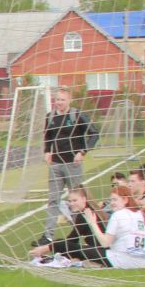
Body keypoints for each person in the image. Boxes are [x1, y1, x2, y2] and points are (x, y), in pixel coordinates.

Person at [41, 87, 95, 241]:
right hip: (55, 165)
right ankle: (48, 235)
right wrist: (47, 151)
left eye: (62, 99)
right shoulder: (50, 117)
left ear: (69, 100)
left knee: (77, 201)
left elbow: (94, 133)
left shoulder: (77, 115)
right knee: (53, 200)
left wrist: (82, 151)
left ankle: (85, 233)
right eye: (57, 99)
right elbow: (48, 137)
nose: (59, 102)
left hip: (73, 165)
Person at [27, 185, 107, 265]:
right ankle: (61, 258)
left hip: (100, 253)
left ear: (84, 199)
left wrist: (45, 248)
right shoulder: (92, 209)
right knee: (63, 244)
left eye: (75, 200)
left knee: (59, 243)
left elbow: (72, 239)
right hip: (101, 251)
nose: (71, 203)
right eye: (69, 201)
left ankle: (57, 259)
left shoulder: (84, 215)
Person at [100, 184, 145, 269]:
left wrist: (91, 222)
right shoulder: (142, 214)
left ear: (125, 199)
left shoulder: (118, 215)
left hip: (121, 260)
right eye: (111, 200)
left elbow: (105, 243)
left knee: (78, 249)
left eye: (115, 200)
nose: (112, 203)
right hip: (143, 262)